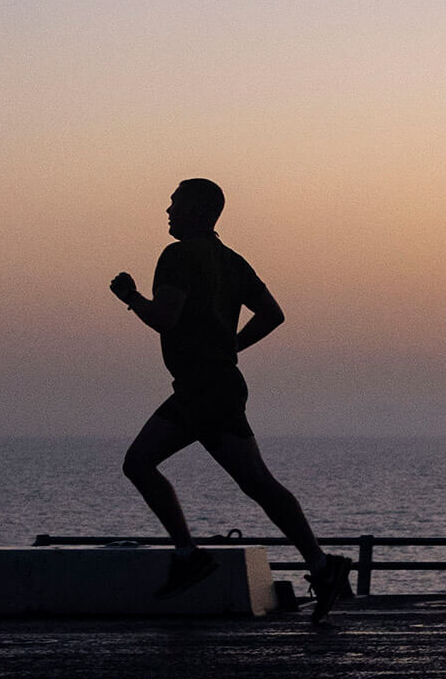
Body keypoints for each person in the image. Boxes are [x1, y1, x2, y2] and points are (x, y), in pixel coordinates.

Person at [108, 179, 353, 620]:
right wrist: (231, 347)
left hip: (205, 388)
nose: (167, 210)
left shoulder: (178, 256)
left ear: (199, 212)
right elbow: (272, 315)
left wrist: (130, 298)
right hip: (211, 384)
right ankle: (313, 563)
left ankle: (200, 556)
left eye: (175, 204)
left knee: (166, 467)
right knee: (246, 480)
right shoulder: (232, 261)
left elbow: (165, 319)